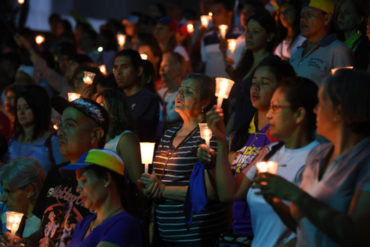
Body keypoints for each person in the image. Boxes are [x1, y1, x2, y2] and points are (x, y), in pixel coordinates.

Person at [254, 69, 370, 246]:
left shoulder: (364, 161)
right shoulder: (318, 156)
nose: (315, 110)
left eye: (321, 103)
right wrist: (276, 201)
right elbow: (302, 225)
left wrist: (294, 194)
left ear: (339, 110)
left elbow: (355, 235)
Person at [202, 58, 295, 244]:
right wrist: (210, 159)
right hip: (238, 228)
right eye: (254, 82)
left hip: (265, 230)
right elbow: (220, 191)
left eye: (265, 82)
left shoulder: (278, 138)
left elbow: (233, 191)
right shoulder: (244, 134)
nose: (256, 87)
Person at [140, 74, 227, 246]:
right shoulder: (168, 134)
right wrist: (149, 184)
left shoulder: (208, 136)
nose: (180, 95)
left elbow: (209, 191)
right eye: (180, 90)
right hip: (165, 235)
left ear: (204, 101)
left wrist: (163, 190)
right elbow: (157, 177)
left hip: (196, 236)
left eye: (188, 92)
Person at [29, 98, 110, 247]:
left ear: (95, 134)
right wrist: (24, 243)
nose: (60, 133)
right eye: (61, 125)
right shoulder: (56, 173)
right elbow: (44, 231)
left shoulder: (105, 180)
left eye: (70, 125)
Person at [64, 149, 142, 247]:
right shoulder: (83, 225)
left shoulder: (124, 224)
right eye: (77, 182)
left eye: (84, 180)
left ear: (106, 179)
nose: (77, 189)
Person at [227, 8, 278, 134]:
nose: (249, 36)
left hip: (258, 130)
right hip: (238, 129)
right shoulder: (245, 63)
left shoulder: (271, 64)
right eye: (248, 31)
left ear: (269, 36)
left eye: (256, 32)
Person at [289, 0, 353, 85]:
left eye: (309, 15)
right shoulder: (299, 51)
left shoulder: (339, 51)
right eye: (302, 16)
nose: (303, 20)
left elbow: (343, 89)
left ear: (326, 19)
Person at [8, 85, 63, 173]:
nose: (21, 113)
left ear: (37, 109)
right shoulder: (13, 140)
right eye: (18, 108)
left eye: (27, 108)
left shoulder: (51, 142)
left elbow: (62, 173)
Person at [112, 49, 162, 142]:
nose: (118, 72)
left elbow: (139, 129)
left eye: (125, 67)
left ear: (139, 71)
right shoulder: (116, 98)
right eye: (115, 67)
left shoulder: (148, 99)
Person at [0, 158, 46, 238]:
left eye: (8, 191)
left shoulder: (47, 226)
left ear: (29, 190)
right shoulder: (17, 218)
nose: (2, 198)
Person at [200, 0, 243, 78]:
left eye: (218, 12)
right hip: (211, 85)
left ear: (229, 14)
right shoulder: (206, 37)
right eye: (212, 13)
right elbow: (204, 63)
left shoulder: (239, 36)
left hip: (230, 83)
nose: (214, 16)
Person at [336, 0, 369, 70]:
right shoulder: (334, 41)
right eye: (340, 12)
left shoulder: (365, 46)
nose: (340, 16)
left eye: (347, 13)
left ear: (360, 19)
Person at [157, 51, 186, 128]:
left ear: (179, 68)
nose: (161, 70)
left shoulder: (185, 94)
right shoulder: (159, 94)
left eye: (165, 66)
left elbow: (175, 116)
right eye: (160, 66)